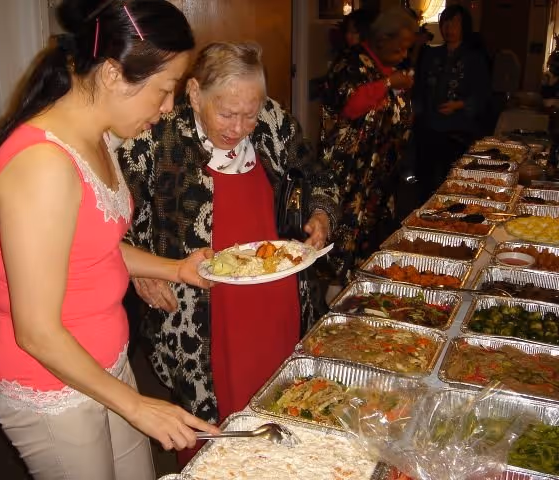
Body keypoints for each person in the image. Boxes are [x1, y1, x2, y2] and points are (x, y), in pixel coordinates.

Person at [0, 1, 218, 479]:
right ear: (113, 73)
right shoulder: (44, 167)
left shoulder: (100, 139)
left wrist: (175, 269)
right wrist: (137, 406)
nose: (168, 107)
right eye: (164, 90)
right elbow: (37, 331)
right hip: (49, 382)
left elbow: (91, 249)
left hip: (103, 363)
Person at [118, 41, 339, 464]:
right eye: (227, 113)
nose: (239, 127)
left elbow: (318, 175)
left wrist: (321, 214)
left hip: (277, 295)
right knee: (210, 422)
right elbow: (111, 221)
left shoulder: (273, 120)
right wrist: (139, 270)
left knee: (284, 404)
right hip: (197, 308)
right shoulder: (155, 138)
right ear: (196, 93)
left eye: (249, 114)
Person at [319, 7, 416, 293]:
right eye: (399, 48)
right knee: (345, 238)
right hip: (351, 174)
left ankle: (364, 290)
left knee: (373, 238)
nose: (403, 54)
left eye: (407, 49)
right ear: (382, 40)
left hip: (379, 177)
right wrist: (388, 84)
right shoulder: (350, 63)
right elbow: (350, 106)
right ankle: (336, 295)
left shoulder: (386, 67)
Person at [413, 4, 491, 203]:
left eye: (454, 23)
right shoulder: (431, 55)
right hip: (429, 126)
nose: (449, 28)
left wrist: (460, 105)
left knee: (454, 179)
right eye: (445, 23)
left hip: (458, 129)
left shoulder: (475, 58)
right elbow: (419, 87)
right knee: (426, 180)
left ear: (464, 26)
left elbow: (482, 93)